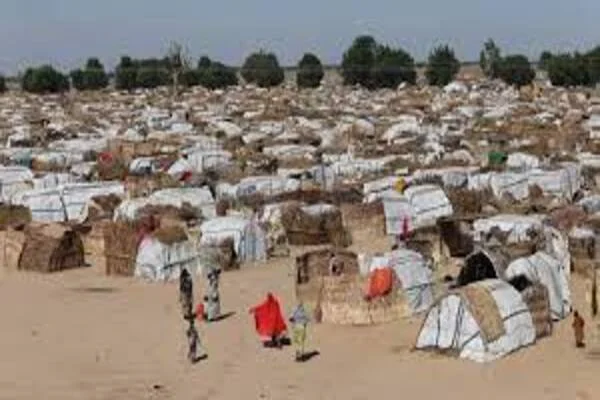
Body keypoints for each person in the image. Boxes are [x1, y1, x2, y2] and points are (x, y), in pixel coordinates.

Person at [204, 258, 222, 322]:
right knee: (212, 305)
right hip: (211, 292)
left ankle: (214, 317)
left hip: (213, 292)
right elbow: (208, 286)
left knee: (214, 305)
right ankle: (211, 317)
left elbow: (214, 285)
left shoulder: (214, 278)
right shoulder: (211, 279)